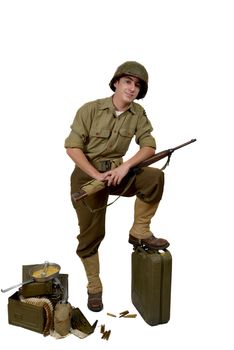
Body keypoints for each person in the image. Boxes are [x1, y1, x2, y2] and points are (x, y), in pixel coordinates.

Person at [64, 61, 170, 312]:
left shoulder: (138, 114)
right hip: (86, 177)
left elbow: (148, 146)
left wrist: (124, 167)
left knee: (154, 177)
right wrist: (95, 175)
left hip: (117, 174)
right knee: (92, 235)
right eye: (127, 82)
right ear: (116, 83)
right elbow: (72, 148)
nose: (132, 89)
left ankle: (140, 231)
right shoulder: (89, 109)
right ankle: (94, 287)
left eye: (137, 85)